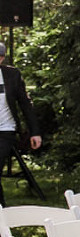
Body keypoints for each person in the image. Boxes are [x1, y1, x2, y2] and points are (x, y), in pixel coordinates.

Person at [0, 42, 41, 206]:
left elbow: (25, 104)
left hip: (5, 130)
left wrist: (35, 131)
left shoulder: (12, 75)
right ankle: (3, 218)